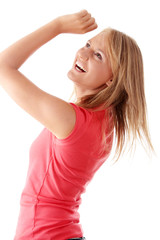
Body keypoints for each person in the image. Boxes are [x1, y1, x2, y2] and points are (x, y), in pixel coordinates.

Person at [0, 9, 153, 240]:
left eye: (99, 55)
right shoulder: (103, 122)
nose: (84, 54)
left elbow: (3, 66)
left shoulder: (73, 120)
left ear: (112, 79)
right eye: (88, 44)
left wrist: (58, 25)